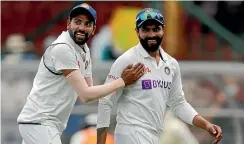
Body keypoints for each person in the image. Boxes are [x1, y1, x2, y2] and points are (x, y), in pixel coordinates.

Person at [17, 3, 145, 144]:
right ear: (68, 24)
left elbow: (90, 94)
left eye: (87, 24)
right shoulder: (63, 49)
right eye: (77, 22)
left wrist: (124, 86)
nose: (82, 28)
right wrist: (122, 81)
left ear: (93, 29)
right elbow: (86, 94)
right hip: (40, 122)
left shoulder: (84, 50)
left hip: (44, 124)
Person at [96, 8, 223, 144]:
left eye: (156, 29)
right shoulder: (126, 60)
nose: (151, 34)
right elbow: (105, 101)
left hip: (154, 135)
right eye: (146, 30)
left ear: (163, 30)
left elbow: (178, 103)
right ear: (137, 32)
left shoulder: (171, 64)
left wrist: (206, 125)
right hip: (130, 135)